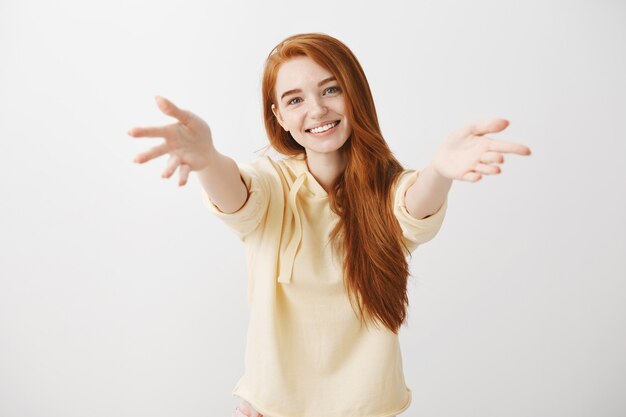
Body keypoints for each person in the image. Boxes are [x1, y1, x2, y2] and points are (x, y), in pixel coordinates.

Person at [128, 33, 531, 417]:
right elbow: (239, 196)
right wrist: (209, 159)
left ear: (355, 94)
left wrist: (440, 171)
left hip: (367, 409)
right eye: (295, 99)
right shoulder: (273, 184)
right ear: (280, 116)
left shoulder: (387, 189)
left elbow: (412, 205)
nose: (317, 110)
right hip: (273, 407)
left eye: (330, 89)